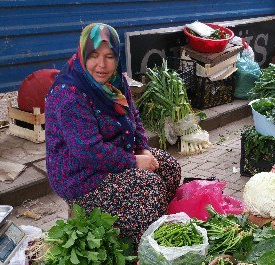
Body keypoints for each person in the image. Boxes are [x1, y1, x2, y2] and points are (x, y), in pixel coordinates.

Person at [45, 23, 181, 242]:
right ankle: (135, 244)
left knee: (169, 168)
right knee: (150, 187)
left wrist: (143, 149)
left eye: (109, 56)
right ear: (83, 54)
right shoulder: (69, 95)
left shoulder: (115, 81)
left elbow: (133, 115)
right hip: (81, 175)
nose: (102, 65)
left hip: (116, 154)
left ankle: (149, 226)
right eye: (94, 56)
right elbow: (88, 150)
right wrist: (134, 162)